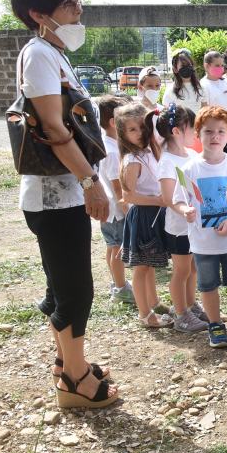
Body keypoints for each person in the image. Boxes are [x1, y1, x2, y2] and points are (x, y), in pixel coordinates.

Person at [10, 0, 117, 408]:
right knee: (75, 288)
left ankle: (66, 362)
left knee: (62, 283)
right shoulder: (38, 54)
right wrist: (91, 183)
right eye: (69, 4)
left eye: (77, 2)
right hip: (55, 195)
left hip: (61, 192)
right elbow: (53, 126)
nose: (78, 11)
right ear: (39, 14)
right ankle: (75, 381)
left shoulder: (51, 53)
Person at [174, 106, 227, 347]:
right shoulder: (189, 169)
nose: (214, 137)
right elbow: (177, 199)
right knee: (208, 286)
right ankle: (215, 324)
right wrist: (185, 210)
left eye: (220, 131)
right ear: (198, 134)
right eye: (208, 131)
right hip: (203, 244)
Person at [116, 103, 173, 329]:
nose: (139, 132)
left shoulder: (150, 151)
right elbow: (128, 196)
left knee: (149, 266)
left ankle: (154, 302)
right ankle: (145, 314)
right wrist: (158, 200)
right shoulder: (131, 160)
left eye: (142, 126)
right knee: (141, 268)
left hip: (155, 212)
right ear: (123, 133)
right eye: (132, 129)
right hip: (143, 215)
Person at [156, 103, 208, 333]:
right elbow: (168, 197)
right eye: (191, 129)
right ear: (176, 131)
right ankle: (180, 314)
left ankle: (190, 303)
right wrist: (184, 210)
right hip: (179, 227)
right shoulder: (167, 161)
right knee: (181, 270)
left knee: (193, 267)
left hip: (196, 224)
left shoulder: (193, 154)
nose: (195, 134)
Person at [96, 95, 134, 305]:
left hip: (108, 209)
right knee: (119, 248)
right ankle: (121, 288)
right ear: (113, 122)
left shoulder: (106, 143)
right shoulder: (112, 151)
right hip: (116, 209)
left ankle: (117, 284)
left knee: (112, 246)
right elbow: (117, 185)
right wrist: (126, 207)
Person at [200, 50, 227, 127]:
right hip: (213, 129)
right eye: (217, 65)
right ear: (207, 66)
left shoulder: (225, 82)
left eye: (222, 65)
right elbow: (204, 111)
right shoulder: (202, 85)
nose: (221, 68)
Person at [162, 49, 205, 114]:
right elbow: (168, 113)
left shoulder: (200, 87)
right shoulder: (170, 90)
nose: (187, 68)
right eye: (183, 66)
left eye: (189, 65)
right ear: (175, 69)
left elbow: (204, 110)